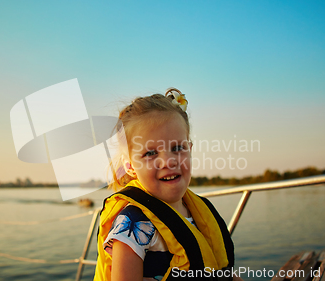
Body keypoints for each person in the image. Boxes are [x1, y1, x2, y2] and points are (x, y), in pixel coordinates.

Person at [94, 89, 237, 281]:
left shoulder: (198, 211)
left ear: (190, 149)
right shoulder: (133, 225)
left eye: (178, 148)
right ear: (130, 167)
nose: (169, 161)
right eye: (150, 153)